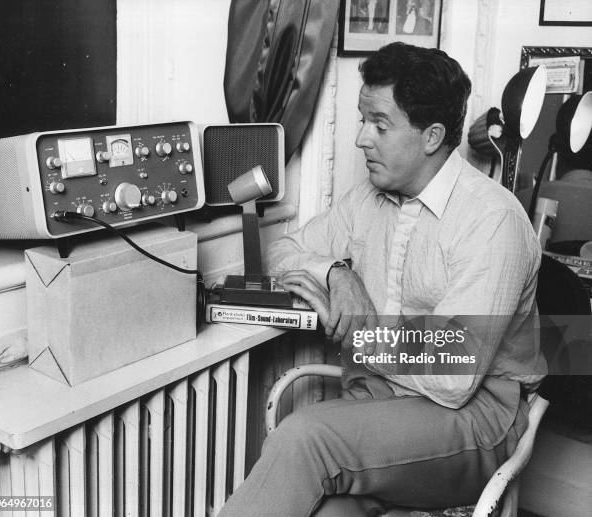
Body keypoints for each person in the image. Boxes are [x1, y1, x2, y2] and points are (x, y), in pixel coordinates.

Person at [218, 42, 546, 517]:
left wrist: (365, 337)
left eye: (379, 124)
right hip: (382, 401)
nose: (361, 139)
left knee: (305, 435)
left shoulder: (492, 220)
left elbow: (454, 375)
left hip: (476, 419)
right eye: (360, 119)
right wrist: (335, 272)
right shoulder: (365, 199)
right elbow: (279, 252)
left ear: (431, 136)